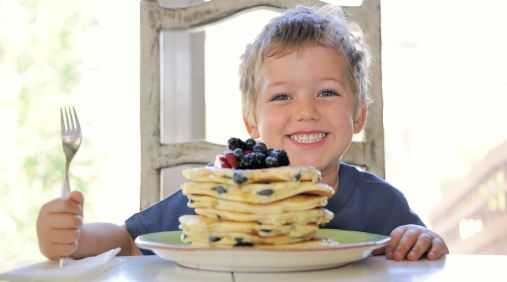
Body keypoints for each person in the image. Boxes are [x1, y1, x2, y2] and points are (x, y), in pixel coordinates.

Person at [36, 5, 448, 262]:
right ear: (252, 122)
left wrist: (423, 241)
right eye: (282, 96)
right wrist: (71, 238)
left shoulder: (381, 205)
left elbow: (424, 251)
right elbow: (128, 242)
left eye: (327, 92)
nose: (306, 111)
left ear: (358, 115)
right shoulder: (224, 197)